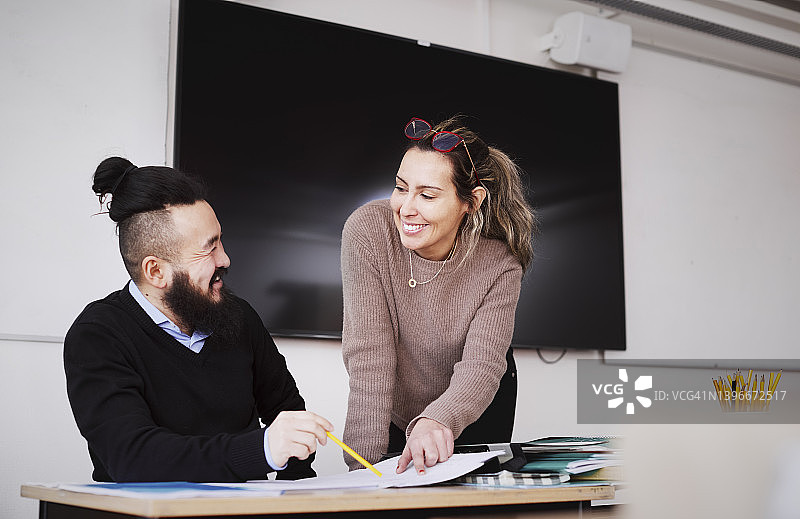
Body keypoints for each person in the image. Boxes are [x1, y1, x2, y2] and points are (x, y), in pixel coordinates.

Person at [64, 157, 333, 482]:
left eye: (220, 240)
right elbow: (132, 457)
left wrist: (291, 500)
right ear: (157, 272)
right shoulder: (98, 336)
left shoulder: (239, 316)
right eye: (209, 248)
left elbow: (288, 412)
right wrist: (262, 450)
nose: (225, 258)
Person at [341, 117, 536, 474]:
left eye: (427, 195)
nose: (406, 208)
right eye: (401, 188)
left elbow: (482, 364)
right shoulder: (367, 231)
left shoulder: (499, 264)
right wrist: (360, 469)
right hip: (397, 403)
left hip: (475, 400)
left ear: (471, 202)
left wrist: (439, 419)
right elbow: (369, 354)